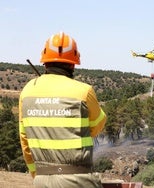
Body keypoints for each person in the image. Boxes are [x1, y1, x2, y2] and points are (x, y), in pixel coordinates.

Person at [19, 32, 107, 188]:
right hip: (79, 181)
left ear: (44, 63)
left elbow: (25, 141)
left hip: (42, 181)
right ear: (73, 64)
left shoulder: (27, 92)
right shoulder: (83, 91)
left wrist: (37, 174)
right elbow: (99, 123)